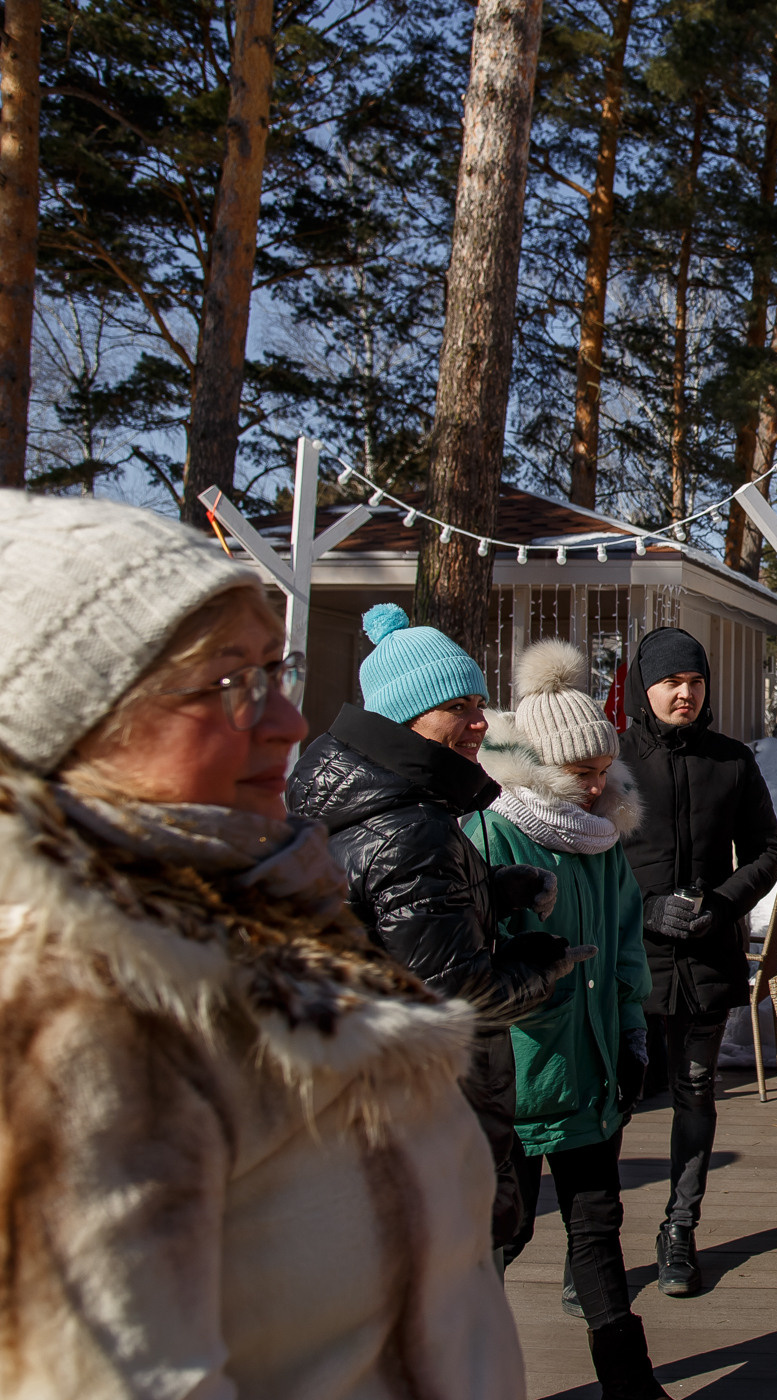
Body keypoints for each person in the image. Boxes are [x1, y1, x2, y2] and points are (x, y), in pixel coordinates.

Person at [0, 494, 525, 1396]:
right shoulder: (83, 1024)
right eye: (227, 683)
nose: (286, 724)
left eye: (274, 674)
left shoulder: (267, 919)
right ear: (77, 728)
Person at [290, 603, 574, 1249]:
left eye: (479, 701)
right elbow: (457, 994)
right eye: (458, 707)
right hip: (431, 1128)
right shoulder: (408, 827)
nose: (480, 721)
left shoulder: (363, 801)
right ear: (403, 716)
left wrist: (492, 892)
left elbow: (392, 927)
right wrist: (542, 965)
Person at [468, 640, 667, 1399]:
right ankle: (466, 1368)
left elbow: (624, 947)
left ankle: (630, 1381)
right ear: (537, 768)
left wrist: (633, 1028)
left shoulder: (603, 841)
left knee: (598, 1225)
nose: (594, 788)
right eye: (579, 774)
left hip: (591, 1071)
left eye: (601, 772)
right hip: (516, 1079)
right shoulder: (493, 836)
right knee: (503, 1233)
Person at [619, 626, 777, 1296]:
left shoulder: (731, 761)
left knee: (694, 1092)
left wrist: (720, 903)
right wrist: (645, 908)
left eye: (693, 681)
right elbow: (588, 852)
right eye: (669, 683)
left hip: (709, 959)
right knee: (617, 1102)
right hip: (631, 961)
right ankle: (594, 1247)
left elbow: (768, 852)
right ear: (644, 687)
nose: (683, 693)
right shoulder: (614, 759)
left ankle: (678, 1228)